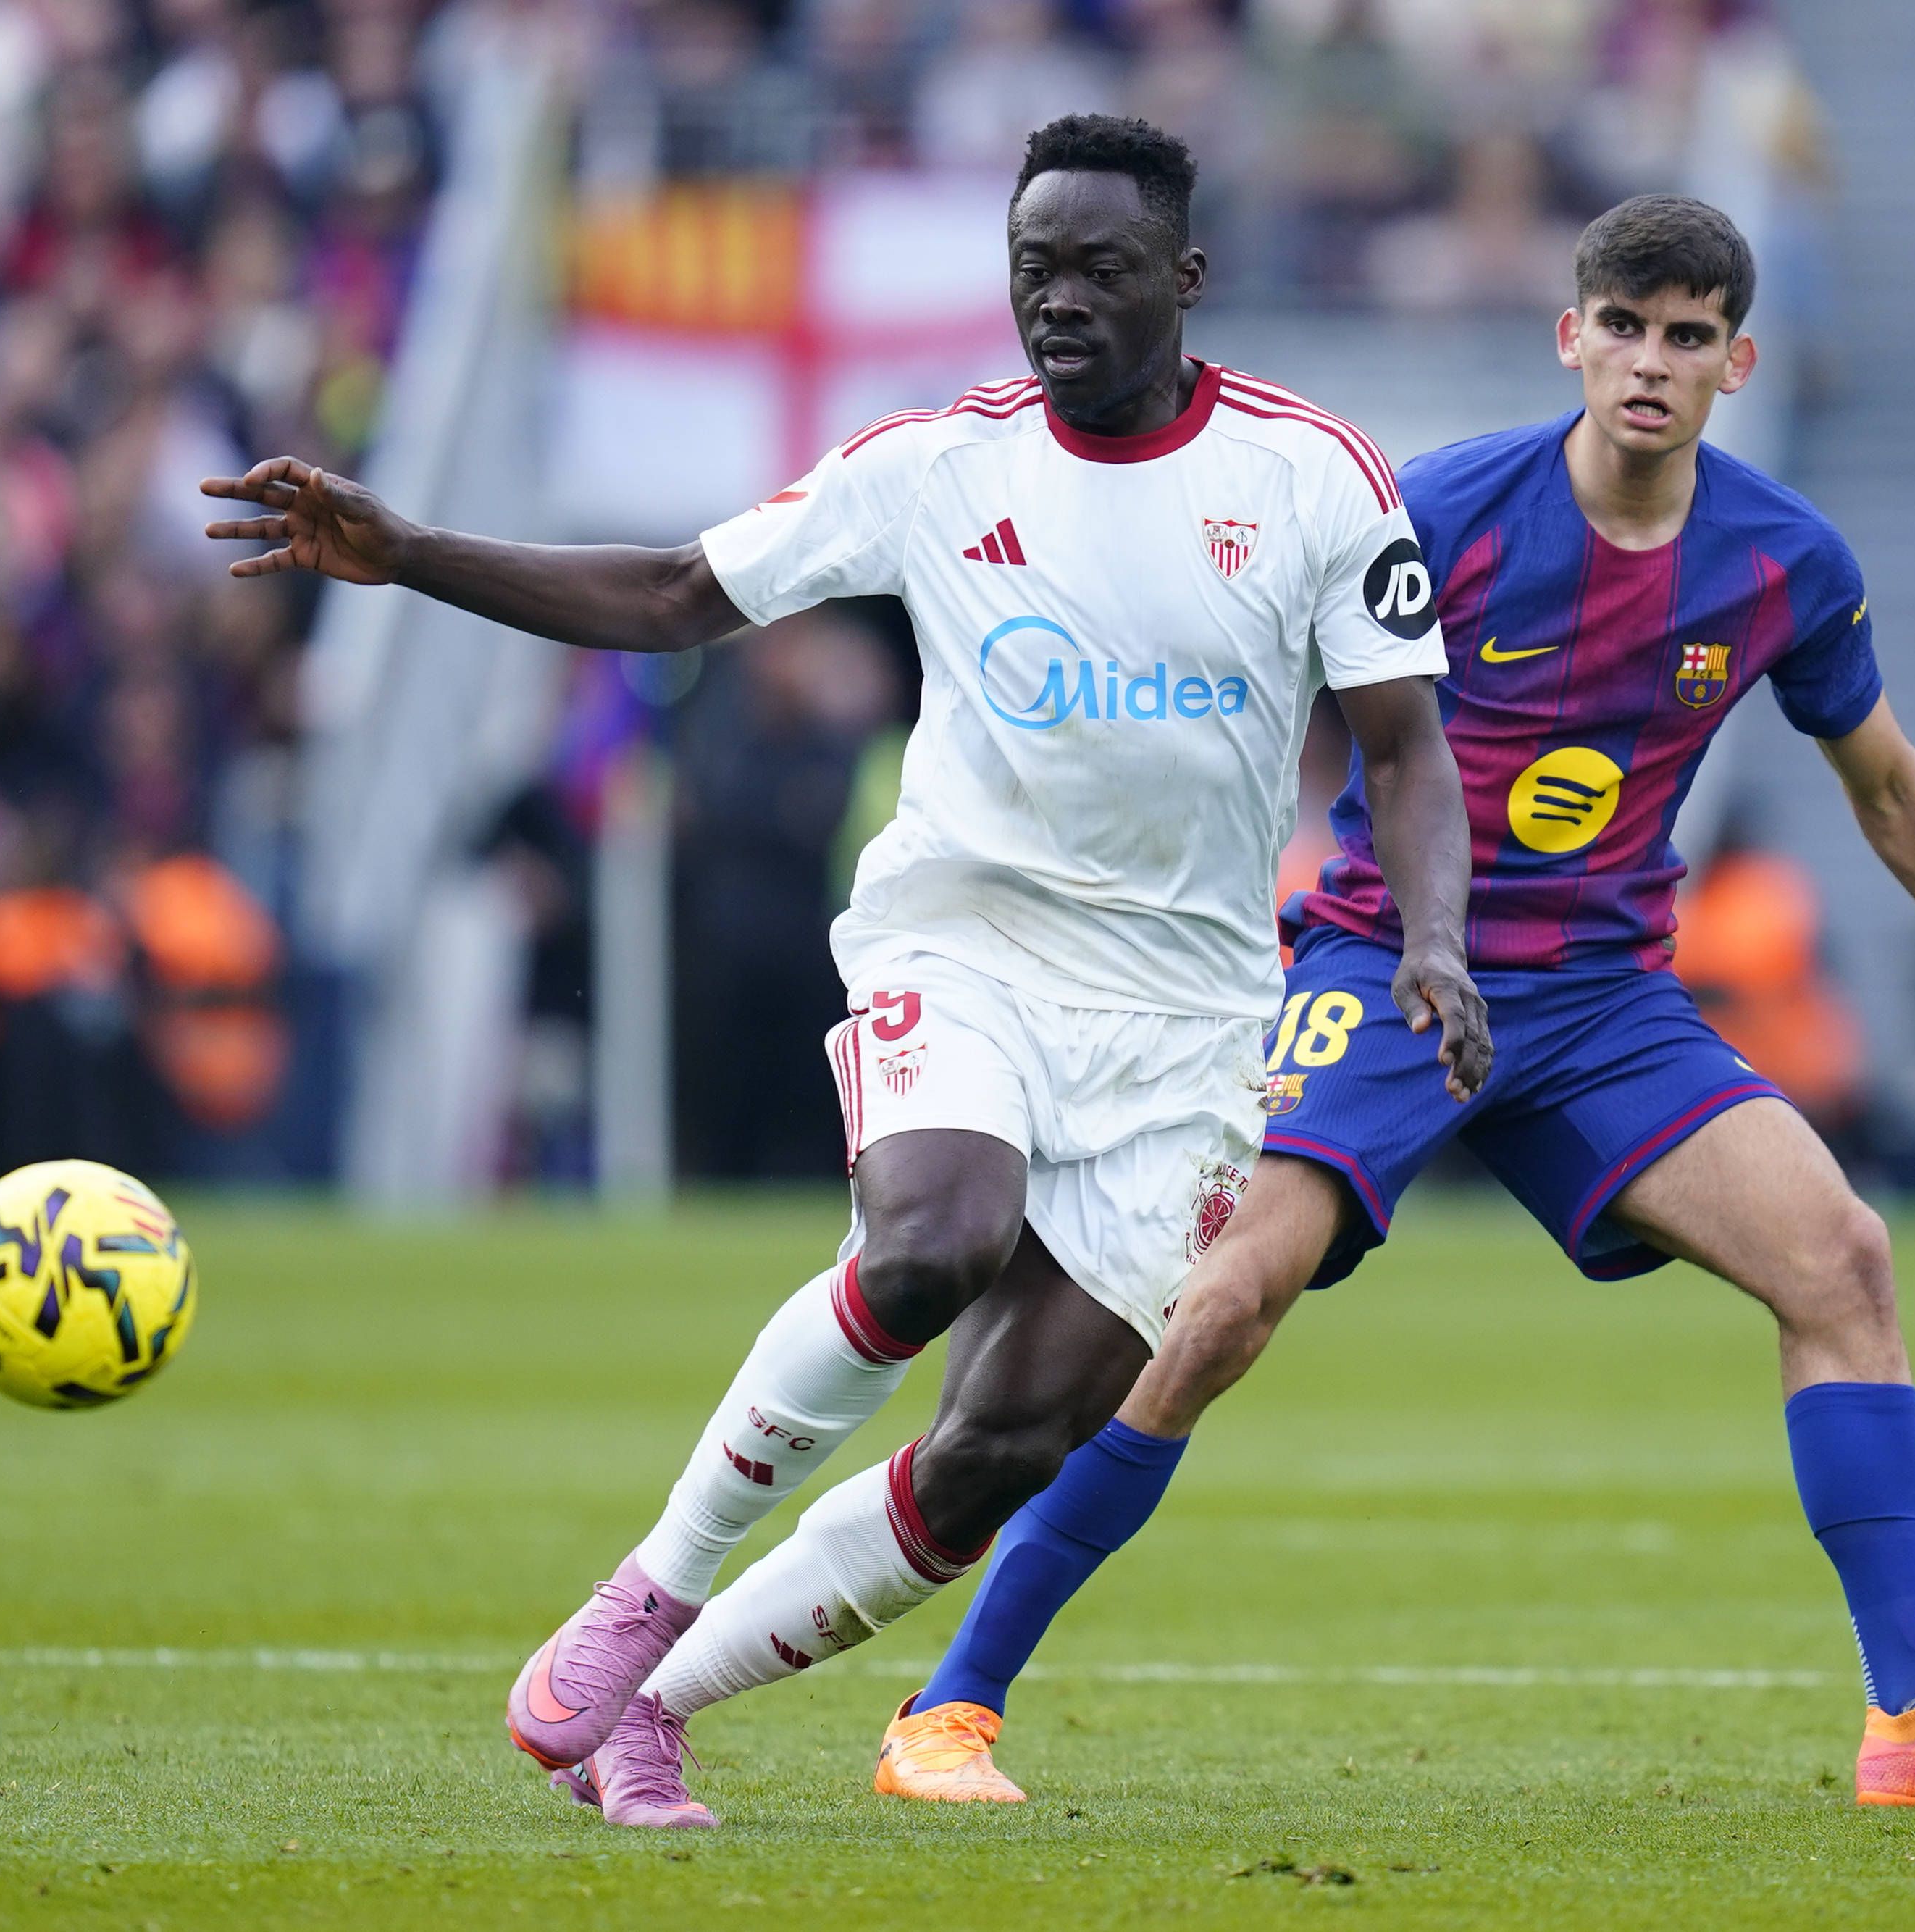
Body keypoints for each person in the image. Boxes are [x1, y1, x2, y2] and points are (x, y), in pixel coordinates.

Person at [198, 114, 1492, 1828]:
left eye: (1100, 269)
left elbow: (1402, 749)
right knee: (933, 1239)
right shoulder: (936, 464)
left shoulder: (1313, 475)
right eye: (1033, 269)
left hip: (1187, 1022)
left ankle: (651, 1709)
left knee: (1004, 1444)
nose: (1058, 301)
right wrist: (412, 552)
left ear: (1183, 276)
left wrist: (1432, 936)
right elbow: (677, 591)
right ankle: (647, 1587)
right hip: (966, 935)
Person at [881, 195, 1915, 1812]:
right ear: (1571, 337)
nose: (1650, 361)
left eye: (1687, 335)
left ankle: (1914, 1720)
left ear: (1736, 363)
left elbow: (1891, 787)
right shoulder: (1437, 512)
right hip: (1386, 970)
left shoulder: (1782, 560)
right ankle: (948, 1709)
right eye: (1623, 326)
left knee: (1841, 1258)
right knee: (1215, 1309)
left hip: (1603, 1001)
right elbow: (1236, 684)